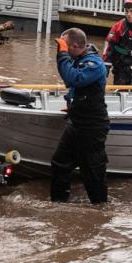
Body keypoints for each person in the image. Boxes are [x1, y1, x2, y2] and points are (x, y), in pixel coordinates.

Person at [51, 27, 110, 204]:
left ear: (76, 46)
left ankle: (100, 211)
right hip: (76, 123)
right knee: (59, 163)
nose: (62, 50)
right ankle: (58, 204)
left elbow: (73, 79)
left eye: (64, 46)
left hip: (93, 127)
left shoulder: (94, 64)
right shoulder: (79, 59)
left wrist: (62, 55)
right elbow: (76, 89)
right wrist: (73, 105)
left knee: (92, 173)